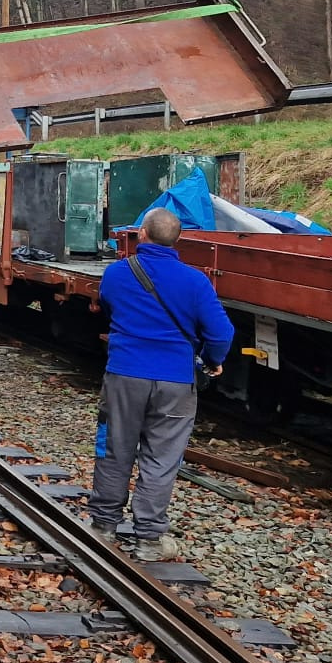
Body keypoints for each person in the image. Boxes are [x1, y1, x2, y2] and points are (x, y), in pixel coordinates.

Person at [88, 208, 234, 562]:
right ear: (178, 239)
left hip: (124, 376)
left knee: (114, 449)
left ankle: (103, 527)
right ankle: (149, 541)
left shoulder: (117, 273)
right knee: (162, 459)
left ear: (142, 234)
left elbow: (108, 307)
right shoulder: (196, 281)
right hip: (175, 382)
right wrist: (212, 359)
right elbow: (221, 333)